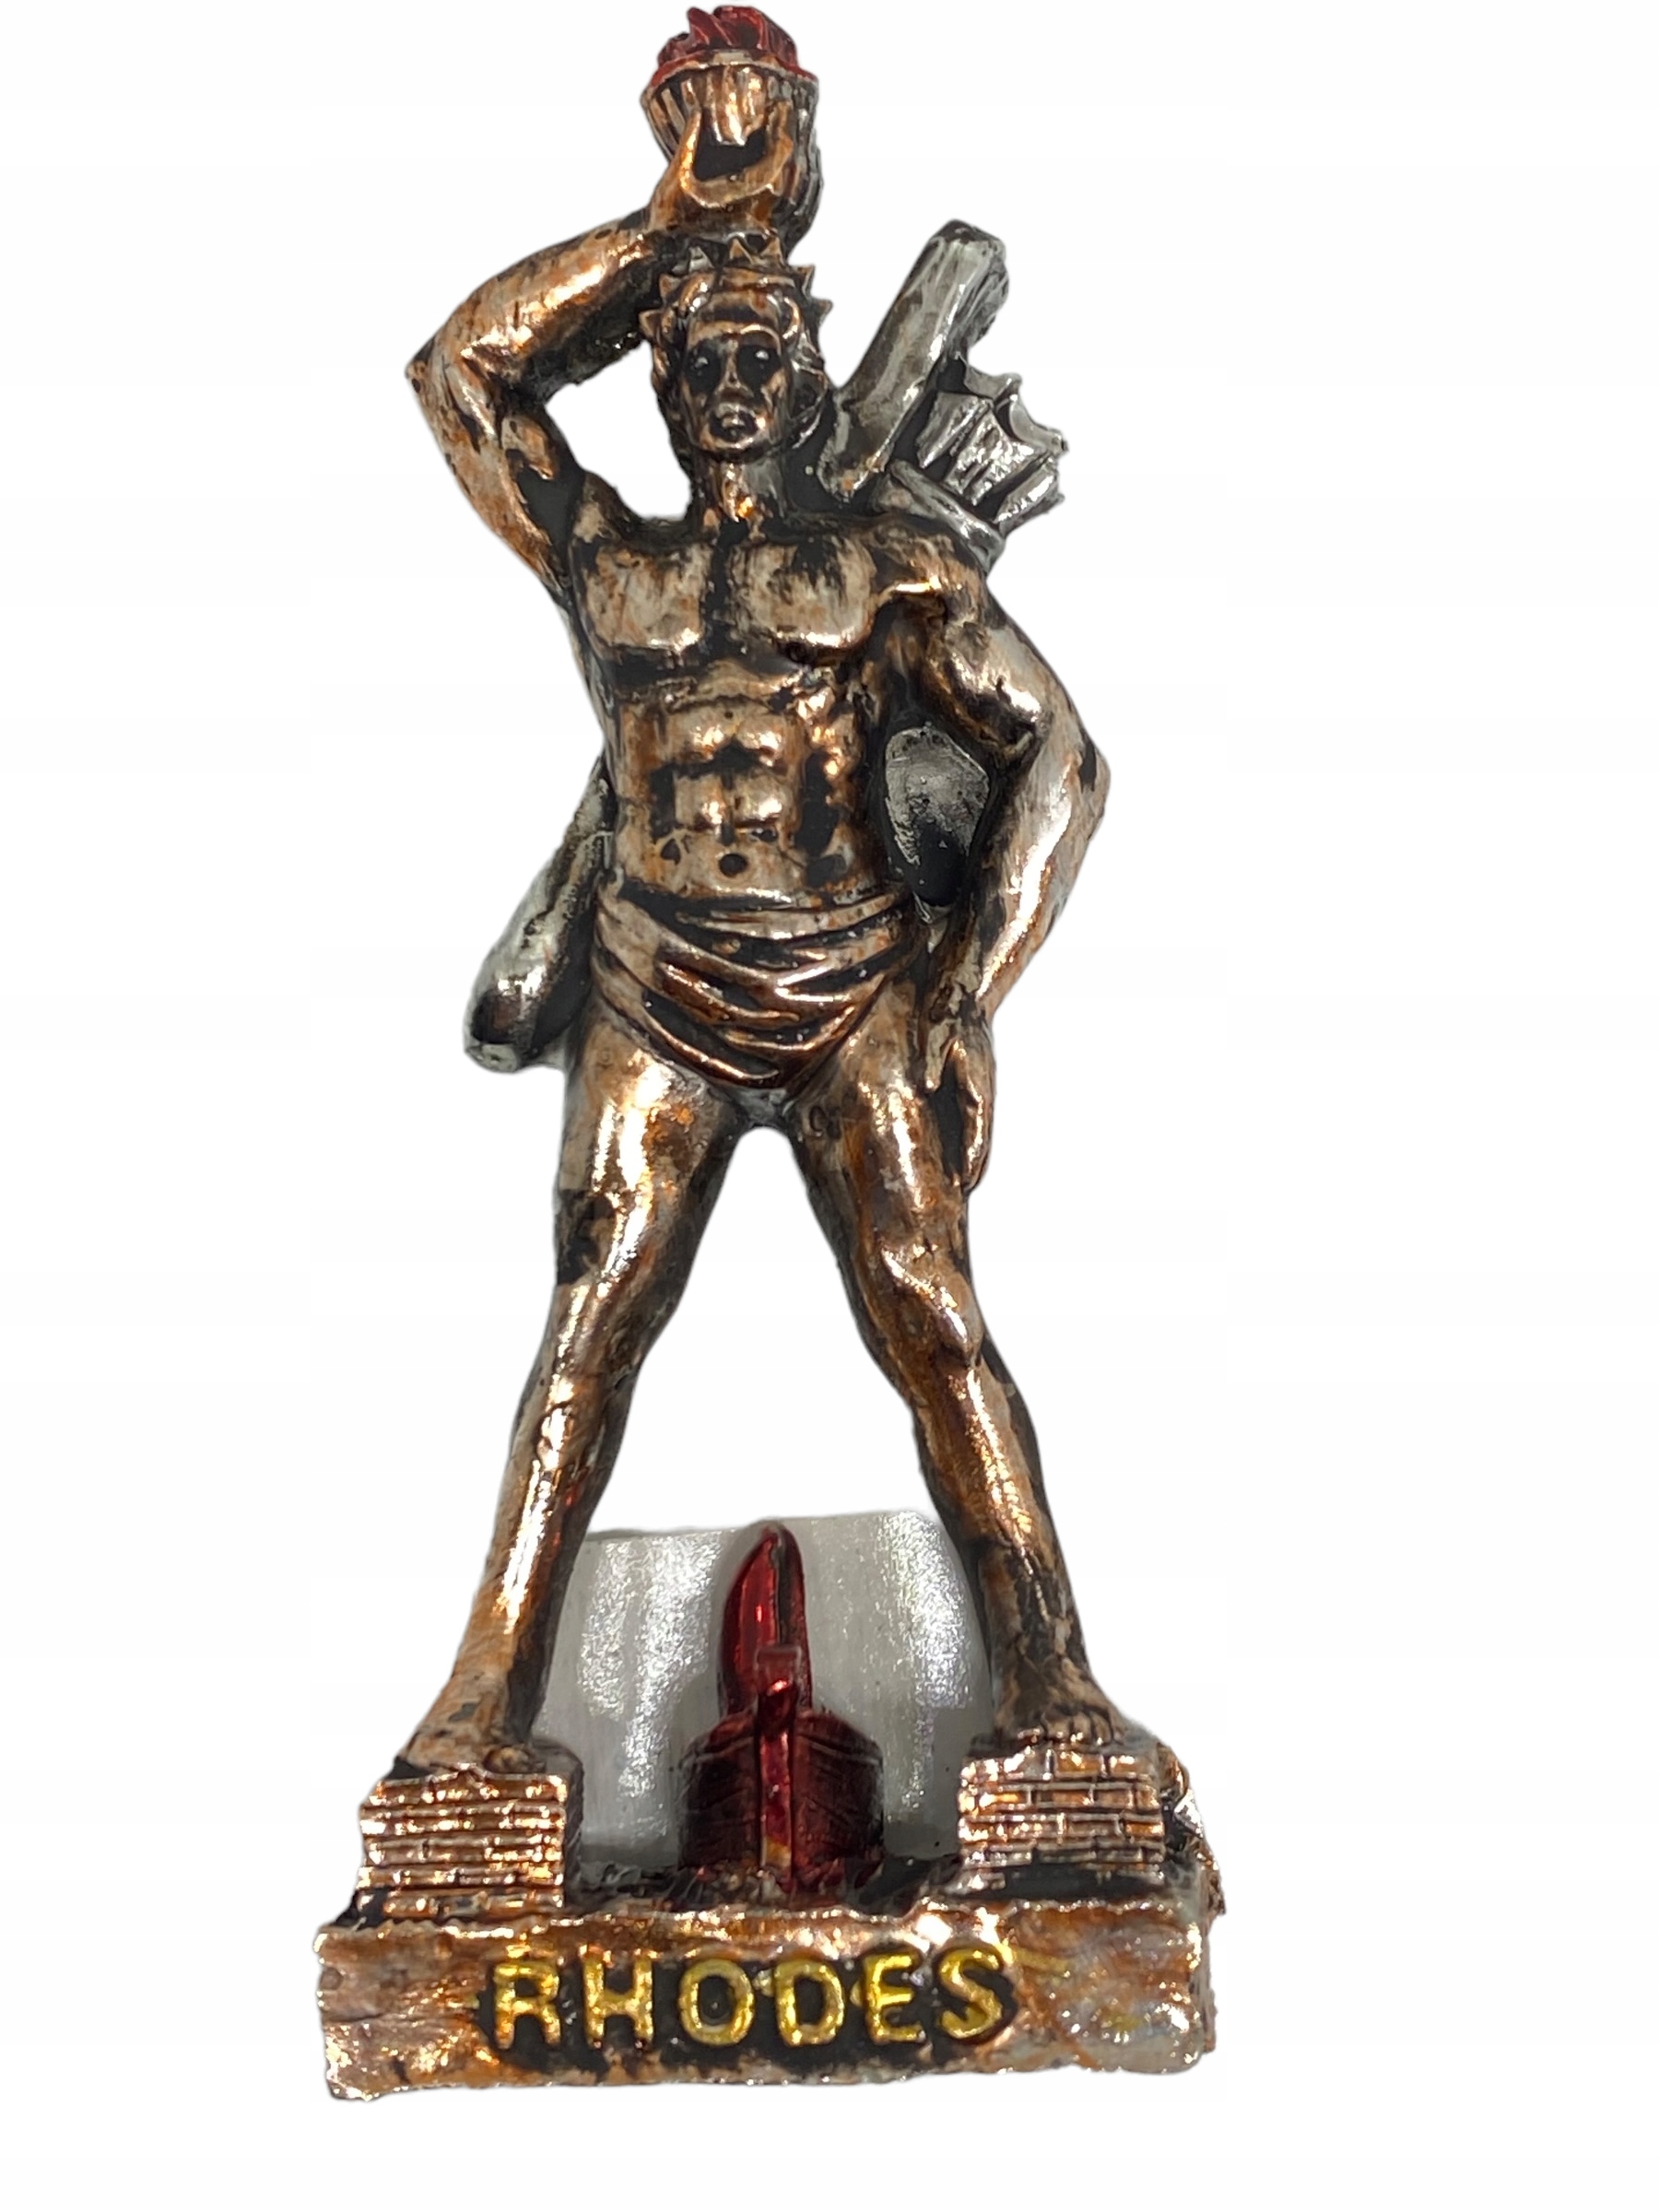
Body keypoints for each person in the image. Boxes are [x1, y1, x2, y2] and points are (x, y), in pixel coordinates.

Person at [400, 96, 1116, 1776]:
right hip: (652, 986)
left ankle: (1053, 1687)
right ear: (658, 383)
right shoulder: (607, 563)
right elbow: (461, 374)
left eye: (760, 353)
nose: (730, 381)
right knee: (589, 1330)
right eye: (700, 357)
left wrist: (967, 988)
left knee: (930, 1314)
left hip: (854, 977)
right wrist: (668, 228)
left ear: (803, 379)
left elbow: (1061, 760)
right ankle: (479, 1705)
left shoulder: (881, 569)